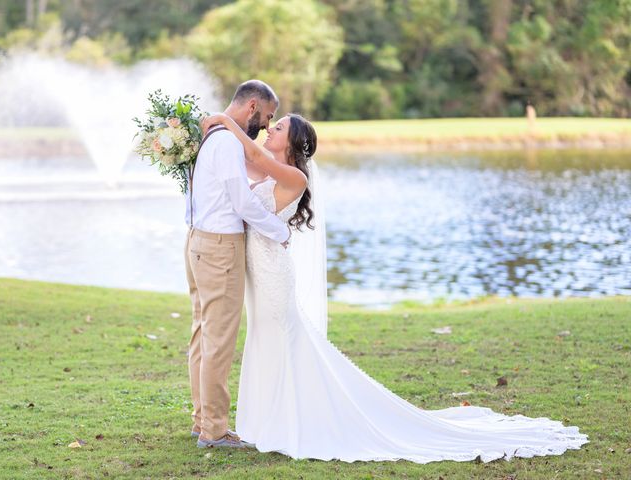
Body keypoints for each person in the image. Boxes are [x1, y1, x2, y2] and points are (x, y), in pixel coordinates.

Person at [199, 111, 588, 463]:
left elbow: (254, 157)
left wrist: (226, 122)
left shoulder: (293, 176)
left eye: (278, 127)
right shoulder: (269, 174)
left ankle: (288, 422)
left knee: (279, 342)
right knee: (264, 342)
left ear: (293, 142)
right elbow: (240, 169)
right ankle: (268, 421)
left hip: (272, 275)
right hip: (259, 270)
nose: (269, 130)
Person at [185, 80, 290, 449]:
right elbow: (242, 204)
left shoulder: (214, 137)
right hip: (219, 248)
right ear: (251, 108)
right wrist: (279, 231)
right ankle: (214, 431)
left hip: (198, 240)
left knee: (202, 334)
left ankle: (203, 421)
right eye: (266, 117)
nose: (265, 126)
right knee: (219, 341)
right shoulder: (227, 142)